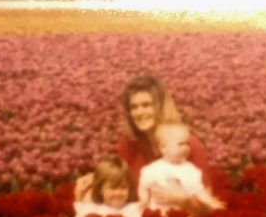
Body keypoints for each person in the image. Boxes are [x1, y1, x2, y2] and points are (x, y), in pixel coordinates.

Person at [74, 74, 212, 207]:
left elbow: (209, 205)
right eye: (134, 107)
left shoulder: (187, 145)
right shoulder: (129, 142)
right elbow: (119, 181)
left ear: (160, 106)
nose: (139, 112)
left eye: (146, 105)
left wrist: (183, 200)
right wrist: (94, 179)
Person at [138, 122, 225, 217]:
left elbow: (199, 192)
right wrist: (144, 199)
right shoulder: (153, 169)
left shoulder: (191, 170)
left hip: (182, 215)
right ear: (163, 148)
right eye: (180, 144)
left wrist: (212, 203)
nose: (185, 147)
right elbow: (143, 185)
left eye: (187, 144)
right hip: (159, 213)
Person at [72, 156, 142, 217]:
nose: (117, 193)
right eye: (112, 188)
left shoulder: (136, 210)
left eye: (123, 188)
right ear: (99, 189)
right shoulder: (91, 212)